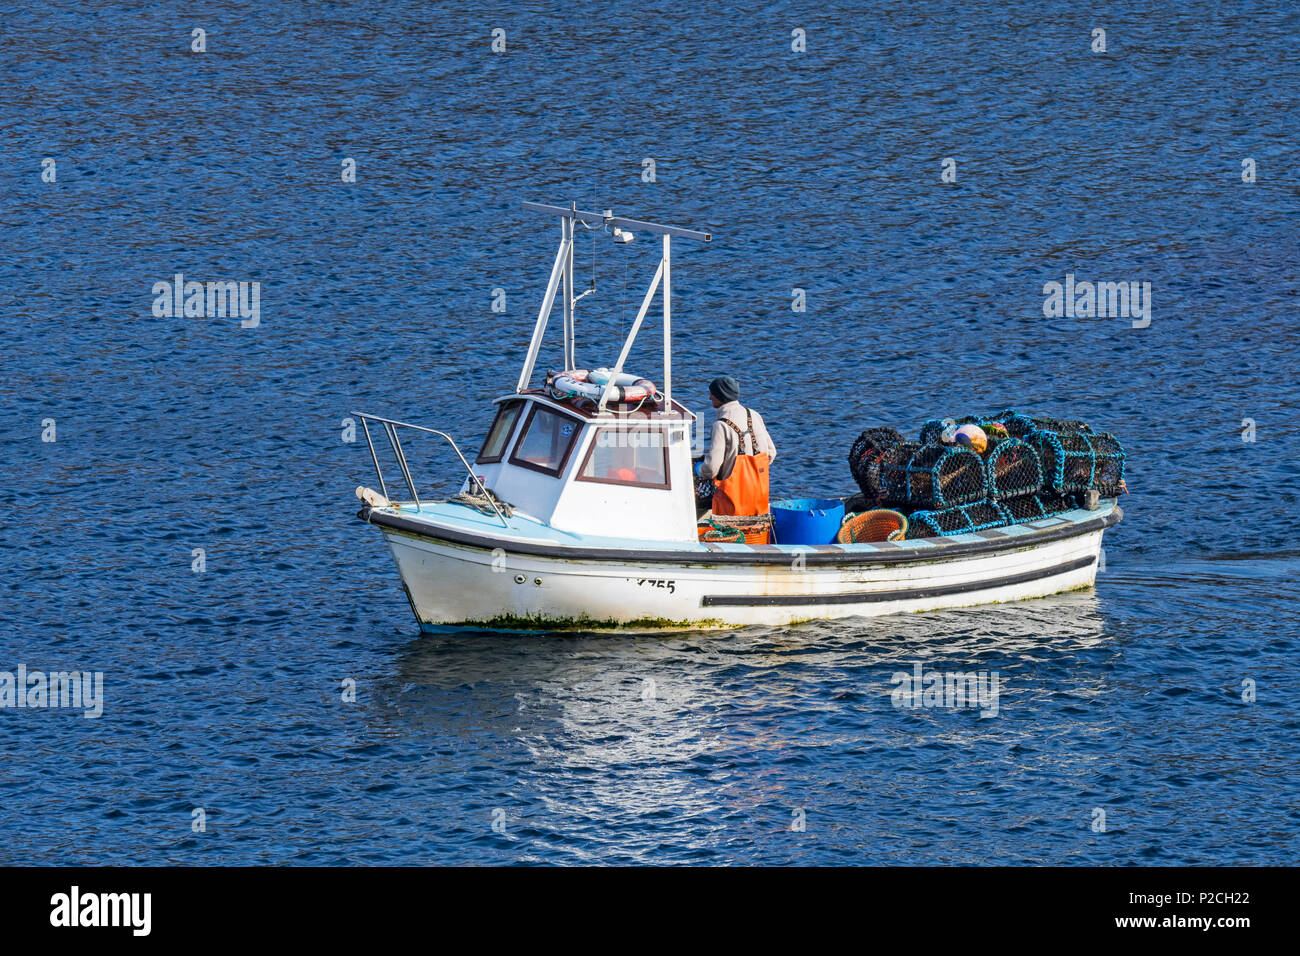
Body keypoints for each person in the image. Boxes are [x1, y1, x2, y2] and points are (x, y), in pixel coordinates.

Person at [695, 376, 777, 516]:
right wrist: (751, 473)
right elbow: (771, 452)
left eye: (711, 394)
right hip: (758, 496)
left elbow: (712, 469)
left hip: (733, 500)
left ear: (721, 395)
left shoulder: (721, 425)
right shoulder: (754, 415)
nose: (710, 398)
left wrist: (699, 470)